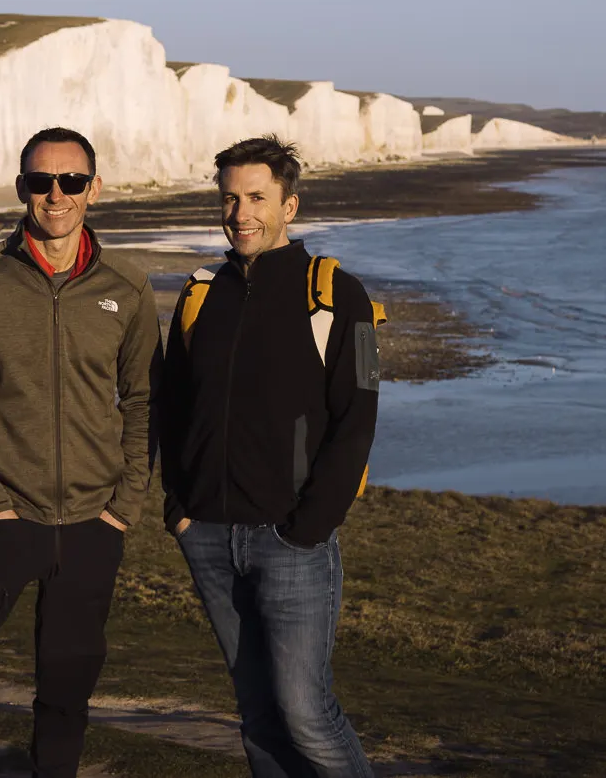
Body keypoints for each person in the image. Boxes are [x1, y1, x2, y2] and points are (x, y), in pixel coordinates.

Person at [0, 126, 162, 778]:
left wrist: (124, 506)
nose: (56, 194)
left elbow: (145, 401)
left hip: (92, 524)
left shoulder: (128, 288)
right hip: (3, 518)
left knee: (67, 683)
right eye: (41, 181)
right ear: (21, 187)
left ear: (94, 189)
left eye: (72, 181)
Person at [158, 134, 378, 778]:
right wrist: (180, 506)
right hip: (207, 534)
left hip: (291, 542)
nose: (241, 213)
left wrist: (308, 527)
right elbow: (174, 407)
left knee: (306, 712)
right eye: (230, 198)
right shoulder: (201, 292)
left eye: (257, 197)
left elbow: (357, 419)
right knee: (256, 716)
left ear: (290, 205)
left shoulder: (338, 294)